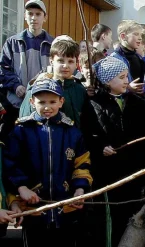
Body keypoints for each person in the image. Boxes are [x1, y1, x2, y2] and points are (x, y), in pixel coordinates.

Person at [3, 78, 92, 247]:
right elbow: (11, 165)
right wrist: (21, 189)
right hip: (32, 211)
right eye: (41, 102)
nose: (47, 107)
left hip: (67, 209)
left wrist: (80, 190)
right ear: (31, 101)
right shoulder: (20, 132)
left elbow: (82, 165)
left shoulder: (73, 133)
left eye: (52, 101)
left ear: (61, 101)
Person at [80, 56, 145, 246]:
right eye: (121, 77)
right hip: (107, 172)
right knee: (110, 216)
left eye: (126, 75)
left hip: (133, 169)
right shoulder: (94, 104)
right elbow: (87, 135)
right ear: (106, 81)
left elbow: (144, 134)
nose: (126, 80)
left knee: (131, 214)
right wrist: (100, 148)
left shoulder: (136, 103)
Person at [0, 0, 53, 135]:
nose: (33, 17)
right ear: (25, 16)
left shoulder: (53, 44)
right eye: (30, 14)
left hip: (43, 106)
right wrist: (16, 86)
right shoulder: (12, 43)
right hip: (15, 106)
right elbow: (3, 69)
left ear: (45, 17)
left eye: (38, 14)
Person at [18, 40, 88, 128]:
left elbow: (86, 121)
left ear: (76, 64)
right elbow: (25, 119)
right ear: (51, 61)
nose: (65, 65)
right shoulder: (38, 88)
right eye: (60, 61)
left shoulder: (80, 90)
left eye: (70, 61)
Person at [110, 20, 145, 97]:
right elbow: (110, 85)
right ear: (123, 36)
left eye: (140, 35)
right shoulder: (114, 59)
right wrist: (128, 88)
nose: (140, 38)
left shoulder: (138, 57)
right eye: (136, 34)